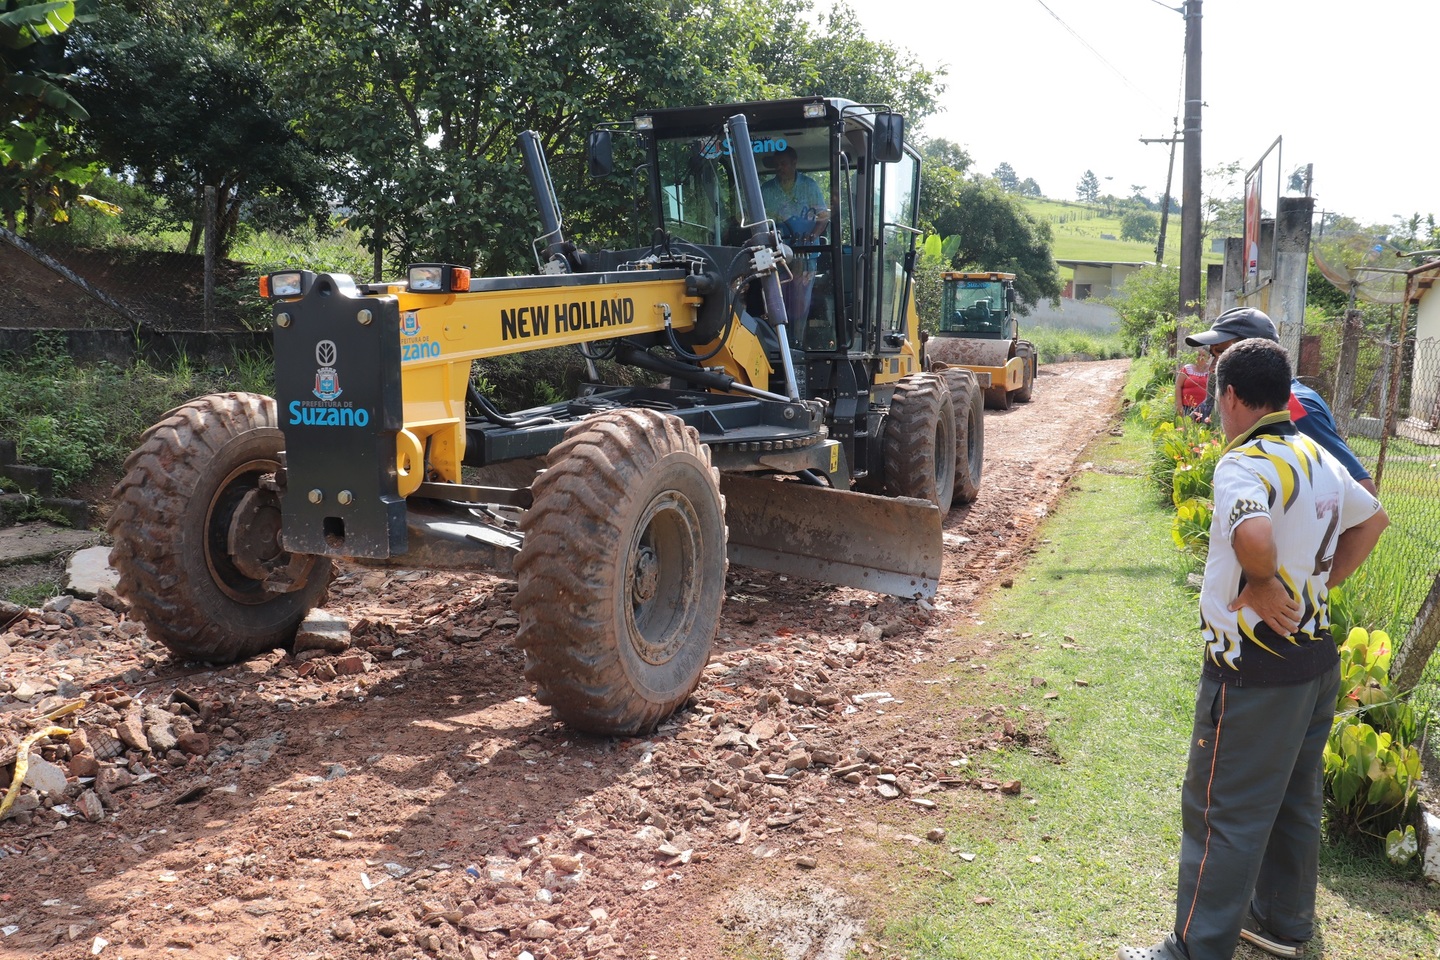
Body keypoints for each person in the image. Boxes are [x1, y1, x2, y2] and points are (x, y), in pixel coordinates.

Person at [1118, 338, 1388, 960]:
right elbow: (1372, 520)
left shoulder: (1244, 463)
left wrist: (1264, 580)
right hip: (1316, 664)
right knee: (1296, 801)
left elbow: (1255, 533)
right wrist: (1322, 581)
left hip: (1254, 671)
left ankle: (1194, 948)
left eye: (1217, 395)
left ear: (1232, 396)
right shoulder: (1315, 453)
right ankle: (1283, 925)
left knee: (1224, 813)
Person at [1185, 307, 1377, 495]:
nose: (1212, 367)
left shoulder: (1294, 407)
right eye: (1213, 355)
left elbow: (1363, 490)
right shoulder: (1260, 402)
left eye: (1220, 353)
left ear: (1252, 352)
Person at [760, 146, 828, 324]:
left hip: (804, 254)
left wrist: (812, 236)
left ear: (794, 163)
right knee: (774, 300)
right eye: (777, 165)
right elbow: (757, 220)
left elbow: (823, 217)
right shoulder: (766, 190)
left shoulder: (809, 186)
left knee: (800, 302)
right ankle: (776, 340)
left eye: (783, 164)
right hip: (775, 255)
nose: (779, 168)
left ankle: (796, 342)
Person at [1174, 349, 1210, 419]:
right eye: (1199, 355)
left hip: (1204, 408)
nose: (1200, 357)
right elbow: (1178, 386)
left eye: (1203, 355)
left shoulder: (1211, 370)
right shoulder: (1187, 368)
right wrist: (1179, 405)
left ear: (1208, 358)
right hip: (1186, 407)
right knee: (1185, 427)